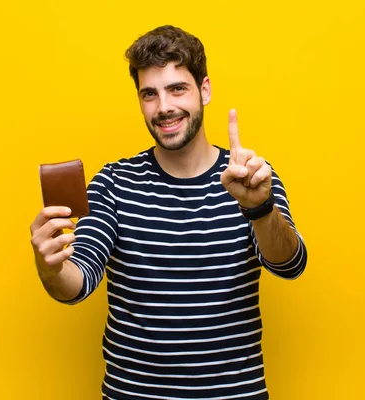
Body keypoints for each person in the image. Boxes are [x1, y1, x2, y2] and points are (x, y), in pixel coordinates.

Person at [30, 25, 307, 400]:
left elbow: (289, 265)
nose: (164, 108)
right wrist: (50, 267)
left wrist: (258, 207)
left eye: (177, 88)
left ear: (204, 90)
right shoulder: (113, 183)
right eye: (149, 94)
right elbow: (77, 284)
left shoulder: (252, 177)